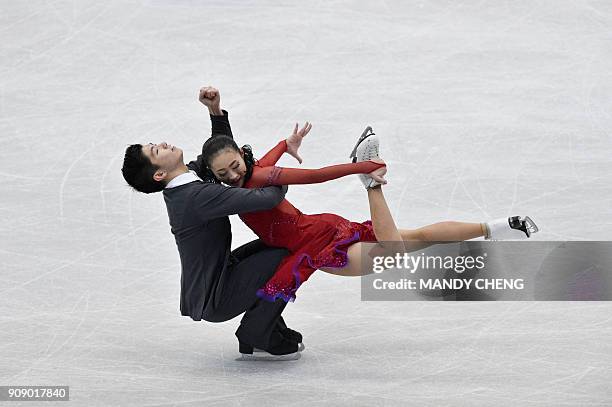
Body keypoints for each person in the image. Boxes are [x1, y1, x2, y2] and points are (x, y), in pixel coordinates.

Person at [201, 124, 540, 303]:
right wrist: (284, 144)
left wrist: (365, 167)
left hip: (316, 244)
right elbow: (259, 159)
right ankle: (496, 227)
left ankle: (371, 185)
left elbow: (315, 175)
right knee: (417, 238)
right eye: (223, 175)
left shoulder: (257, 175)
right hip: (322, 229)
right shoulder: (253, 169)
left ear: (243, 157)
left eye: (234, 166)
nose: (231, 176)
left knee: (392, 253)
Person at [121, 87, 326, 360]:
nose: (164, 143)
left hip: (220, 278)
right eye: (157, 150)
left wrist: (215, 112)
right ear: (159, 173)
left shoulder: (188, 179)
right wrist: (275, 175)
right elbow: (263, 198)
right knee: (297, 253)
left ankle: (266, 328)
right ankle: (258, 332)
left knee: (285, 245)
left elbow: (221, 155)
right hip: (217, 295)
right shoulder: (196, 196)